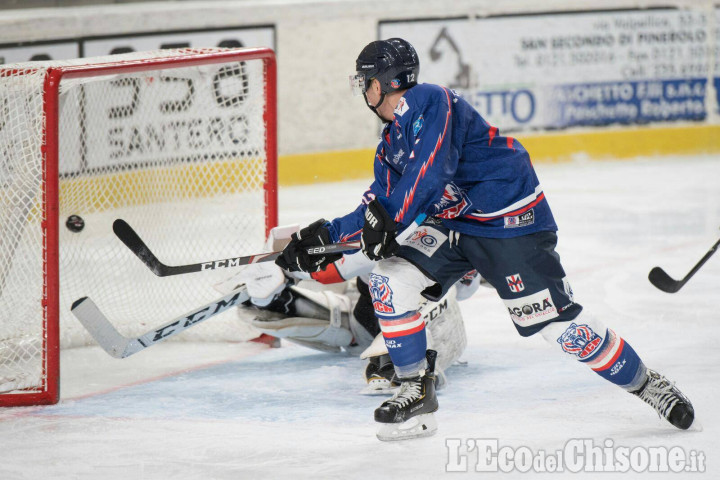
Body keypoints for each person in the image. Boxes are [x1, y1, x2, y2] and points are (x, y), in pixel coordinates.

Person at [275, 38, 694, 441]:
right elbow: (379, 205)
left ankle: (647, 383)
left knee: (560, 330)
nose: (362, 90)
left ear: (380, 83)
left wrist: (388, 220)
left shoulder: (429, 101)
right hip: (452, 228)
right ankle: (416, 392)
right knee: (389, 279)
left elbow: (430, 171)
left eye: (363, 81)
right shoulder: (389, 145)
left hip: (508, 223)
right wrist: (322, 239)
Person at [215, 224, 477, 393]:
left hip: (427, 329)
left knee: (440, 294)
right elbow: (336, 263)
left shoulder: (459, 240)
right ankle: (279, 300)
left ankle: (410, 361)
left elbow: (468, 286)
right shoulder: (391, 234)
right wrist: (280, 267)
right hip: (363, 326)